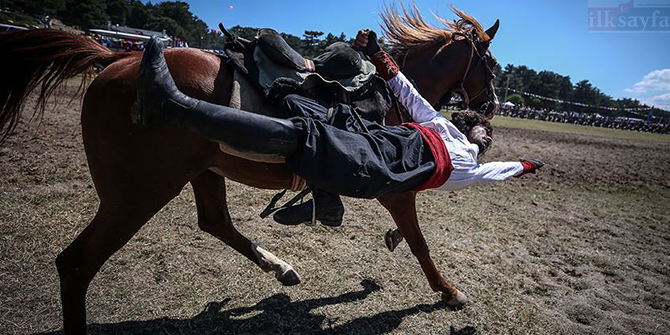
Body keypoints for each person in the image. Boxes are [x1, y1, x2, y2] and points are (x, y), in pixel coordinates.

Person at [131, 30, 544, 226]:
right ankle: (325, 201)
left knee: (302, 135)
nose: (485, 135)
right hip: (377, 140)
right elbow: (407, 91)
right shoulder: (438, 124)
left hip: (380, 168)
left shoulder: (470, 168)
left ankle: (176, 107)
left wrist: (524, 165)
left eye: (487, 138)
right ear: (468, 127)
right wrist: (378, 52)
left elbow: (500, 171)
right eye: (483, 131)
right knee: (300, 106)